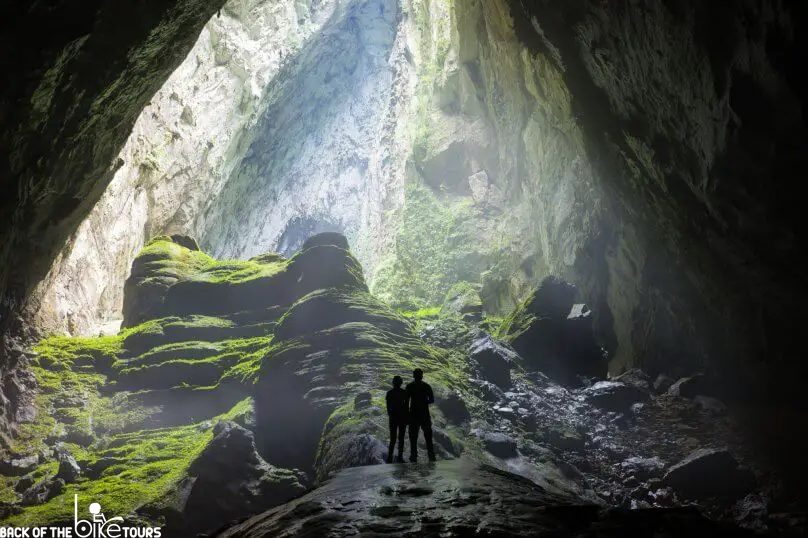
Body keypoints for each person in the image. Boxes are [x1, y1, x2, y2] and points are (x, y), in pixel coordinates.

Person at [406, 368, 435, 462]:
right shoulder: (426, 386)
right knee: (428, 437)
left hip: (414, 415)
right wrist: (424, 402)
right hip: (424, 414)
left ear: (413, 376)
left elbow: (406, 402)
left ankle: (413, 457)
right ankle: (431, 457)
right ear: (422, 376)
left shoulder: (409, 386)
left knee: (413, 437)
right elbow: (431, 400)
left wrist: (407, 415)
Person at [385, 375, 408, 463]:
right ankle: (399, 457)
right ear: (400, 383)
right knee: (400, 438)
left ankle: (390, 457)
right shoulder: (404, 392)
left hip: (393, 418)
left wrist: (391, 414)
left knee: (393, 439)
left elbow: (388, 407)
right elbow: (406, 407)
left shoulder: (390, 393)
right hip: (401, 418)